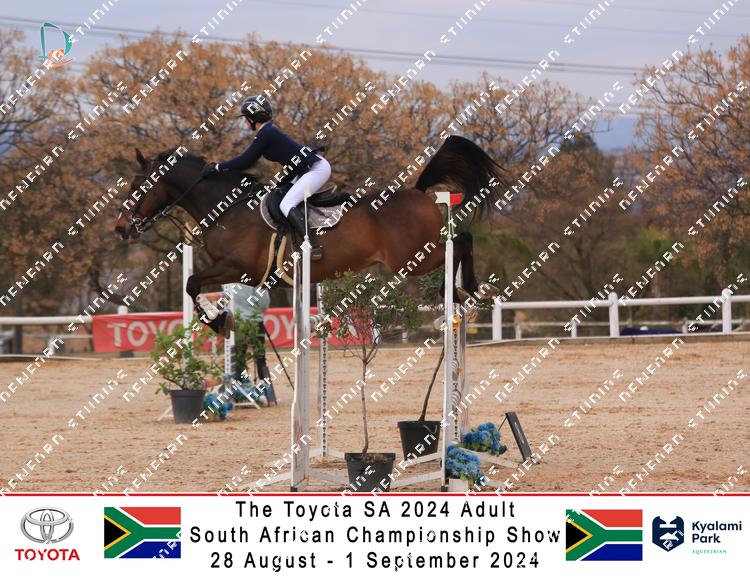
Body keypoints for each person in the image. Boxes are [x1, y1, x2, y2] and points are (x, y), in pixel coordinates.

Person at [202, 95, 328, 260]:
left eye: (246, 118)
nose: (245, 122)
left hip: (316, 169)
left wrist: (217, 167)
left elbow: (245, 160)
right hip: (306, 170)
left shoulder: (266, 133)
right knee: (281, 196)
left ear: (253, 118)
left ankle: (313, 245)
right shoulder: (268, 132)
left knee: (286, 204)